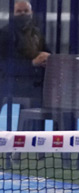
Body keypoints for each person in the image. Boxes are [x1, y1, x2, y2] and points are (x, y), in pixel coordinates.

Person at [0, 0, 50, 131]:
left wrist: (47, 59)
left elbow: (48, 52)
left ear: (31, 13)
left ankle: (34, 135)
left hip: (34, 81)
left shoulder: (37, 33)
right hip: (9, 82)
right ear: (12, 14)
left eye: (25, 11)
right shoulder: (5, 34)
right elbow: (5, 66)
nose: (23, 14)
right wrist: (33, 63)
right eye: (19, 12)